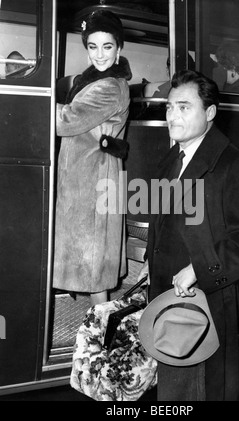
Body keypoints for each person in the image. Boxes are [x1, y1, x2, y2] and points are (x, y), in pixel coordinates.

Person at [138, 69, 239, 401]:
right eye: (169, 107)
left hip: (204, 303)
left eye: (184, 107)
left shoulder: (232, 165)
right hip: (166, 300)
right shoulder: (172, 159)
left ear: (210, 113)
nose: (172, 116)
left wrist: (198, 269)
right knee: (172, 391)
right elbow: (164, 223)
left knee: (198, 391)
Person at [52, 10, 132, 305]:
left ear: (119, 48)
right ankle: (98, 336)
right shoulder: (94, 81)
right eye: (93, 46)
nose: (100, 55)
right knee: (89, 264)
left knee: (95, 269)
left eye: (107, 46)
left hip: (94, 180)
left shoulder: (110, 87)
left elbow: (65, 120)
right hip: (83, 178)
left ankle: (103, 342)